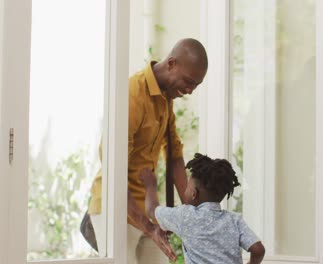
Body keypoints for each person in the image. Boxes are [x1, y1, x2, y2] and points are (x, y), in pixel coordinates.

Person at [87, 38, 208, 264]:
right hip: (115, 205)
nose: (190, 91)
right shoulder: (133, 94)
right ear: (171, 63)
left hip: (147, 208)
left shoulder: (165, 96)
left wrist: (194, 214)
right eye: (188, 82)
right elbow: (114, 171)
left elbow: (174, 156)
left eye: (196, 86)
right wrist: (149, 227)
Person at [139, 153, 266, 264]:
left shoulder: (185, 216)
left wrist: (150, 185)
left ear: (194, 193)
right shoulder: (234, 220)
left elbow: (151, 210)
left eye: (187, 186)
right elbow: (258, 250)